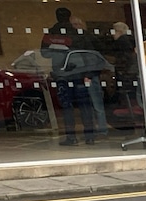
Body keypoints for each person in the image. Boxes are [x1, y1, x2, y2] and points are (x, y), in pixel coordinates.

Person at [39, 7, 105, 144]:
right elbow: (90, 54)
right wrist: (89, 73)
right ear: (69, 17)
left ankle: (71, 137)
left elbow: (44, 53)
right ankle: (89, 136)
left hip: (62, 74)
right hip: (80, 73)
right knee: (85, 105)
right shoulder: (78, 33)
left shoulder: (51, 34)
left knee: (67, 106)